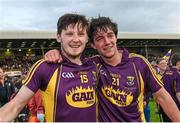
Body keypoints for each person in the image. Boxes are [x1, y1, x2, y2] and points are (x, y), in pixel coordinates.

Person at [45, 16, 180, 122]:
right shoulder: (91, 65)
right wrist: (55, 53)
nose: (107, 42)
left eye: (110, 35)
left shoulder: (138, 63)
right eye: (100, 39)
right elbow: (70, 60)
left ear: (116, 37)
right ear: (92, 44)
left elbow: (163, 97)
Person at [0, 13, 97, 122]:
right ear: (59, 37)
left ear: (87, 38)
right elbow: (15, 105)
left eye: (80, 34)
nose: (76, 39)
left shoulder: (95, 65)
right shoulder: (45, 67)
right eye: (69, 34)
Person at [159, 53, 180, 122]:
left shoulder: (165, 73)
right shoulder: (177, 74)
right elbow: (178, 93)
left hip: (165, 105)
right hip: (175, 106)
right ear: (178, 63)